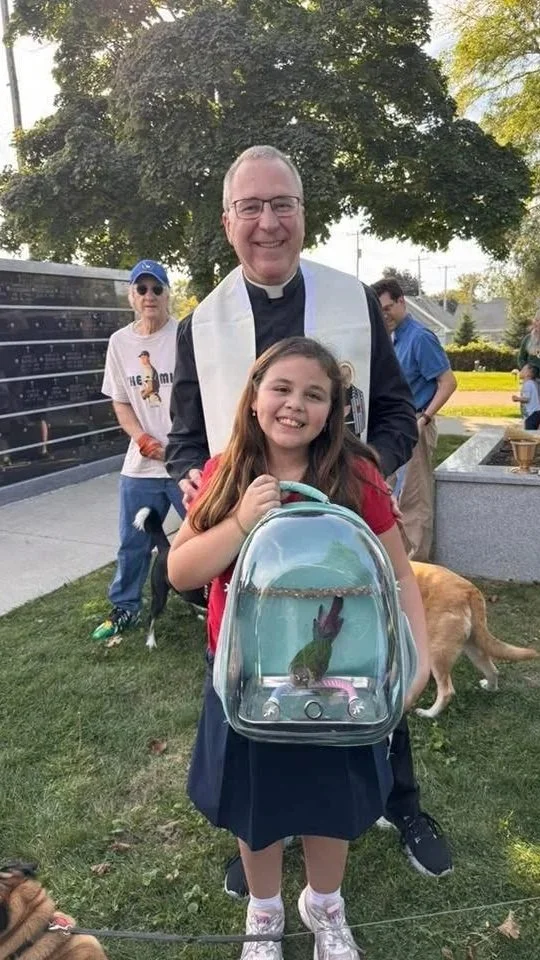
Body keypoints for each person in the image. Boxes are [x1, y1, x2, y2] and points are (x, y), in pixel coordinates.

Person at [166, 145, 452, 893]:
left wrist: (363, 474)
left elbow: (392, 409)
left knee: (364, 663)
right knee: (254, 684)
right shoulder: (201, 322)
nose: (268, 222)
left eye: (282, 205)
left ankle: (403, 805)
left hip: (345, 535)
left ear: (303, 213)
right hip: (248, 556)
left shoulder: (351, 298)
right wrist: (196, 480)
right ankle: (261, 831)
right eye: (251, 208)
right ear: (228, 222)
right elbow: (187, 437)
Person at [167, 337, 431, 960]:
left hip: (341, 675)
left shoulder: (356, 474)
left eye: (314, 394)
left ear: (334, 409)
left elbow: (397, 574)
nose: (295, 405)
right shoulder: (225, 472)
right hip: (244, 676)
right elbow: (180, 571)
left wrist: (412, 663)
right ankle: (264, 914)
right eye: (280, 388)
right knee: (253, 802)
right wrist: (238, 523)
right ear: (254, 397)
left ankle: (324, 905)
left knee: (329, 797)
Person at [91, 260, 185, 641]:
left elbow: (201, 396)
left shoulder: (185, 336)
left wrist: (179, 444)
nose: (149, 296)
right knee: (133, 543)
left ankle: (218, 603)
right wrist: (142, 439)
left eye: (156, 289)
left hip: (184, 461)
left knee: (208, 533)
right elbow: (121, 401)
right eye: (141, 289)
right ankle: (125, 607)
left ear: (167, 294)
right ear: (131, 296)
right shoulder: (120, 343)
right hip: (141, 465)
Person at [372, 277, 457, 562]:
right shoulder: (390, 339)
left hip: (416, 426)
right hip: (394, 431)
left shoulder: (420, 338)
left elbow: (448, 382)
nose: (384, 315)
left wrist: (425, 419)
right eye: (379, 310)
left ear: (401, 302)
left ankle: (419, 569)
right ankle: (400, 564)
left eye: (388, 308)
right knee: (392, 497)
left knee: (414, 500)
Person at [512, 363, 540, 430]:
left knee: (529, 432)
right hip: (536, 412)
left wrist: (517, 399)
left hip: (532, 413)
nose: (520, 371)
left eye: (523, 369)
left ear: (528, 374)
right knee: (533, 431)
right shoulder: (532, 383)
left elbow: (526, 399)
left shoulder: (527, 384)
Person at [517, 309, 540, 375]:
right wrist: (526, 368)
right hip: (532, 376)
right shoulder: (528, 339)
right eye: (537, 320)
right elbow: (521, 358)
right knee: (528, 385)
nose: (537, 323)